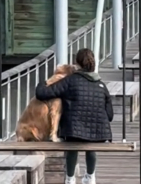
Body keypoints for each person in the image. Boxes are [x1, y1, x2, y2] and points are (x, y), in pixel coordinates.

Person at [35, 48, 114, 184]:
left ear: (77, 63)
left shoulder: (71, 81)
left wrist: (42, 83)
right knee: (91, 142)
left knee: (73, 143)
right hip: (98, 133)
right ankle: (90, 176)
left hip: (73, 131)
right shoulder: (101, 85)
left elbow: (43, 93)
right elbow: (110, 115)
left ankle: (70, 178)